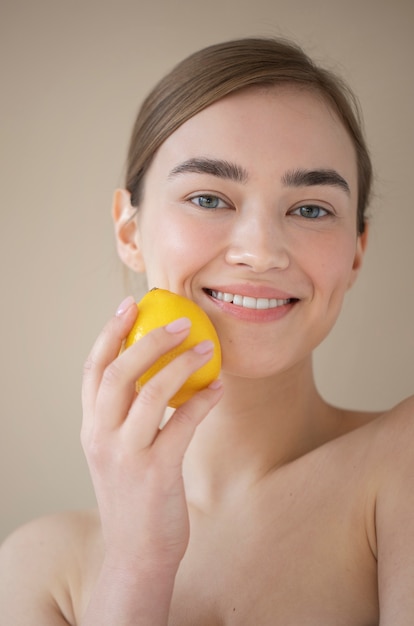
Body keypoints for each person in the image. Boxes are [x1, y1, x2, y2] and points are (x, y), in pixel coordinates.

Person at [1, 36, 413, 625]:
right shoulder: (38, 568)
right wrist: (138, 566)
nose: (262, 252)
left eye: (312, 208)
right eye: (208, 197)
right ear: (130, 231)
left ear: (355, 253)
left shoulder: (404, 461)